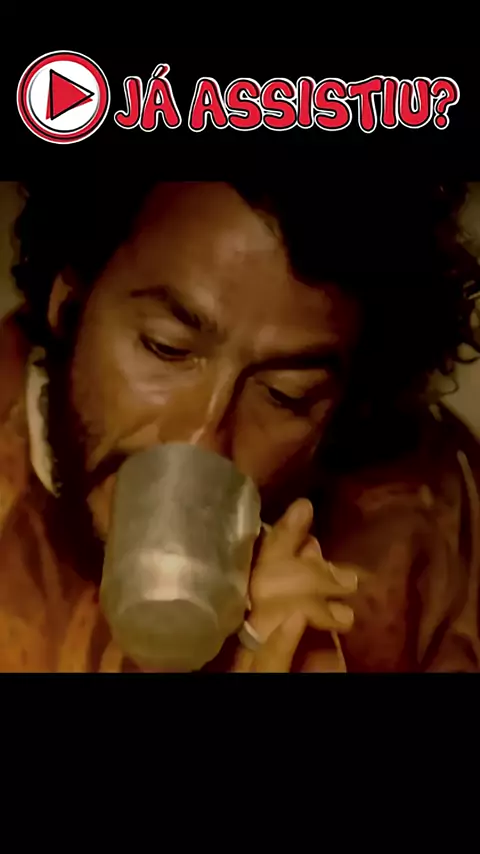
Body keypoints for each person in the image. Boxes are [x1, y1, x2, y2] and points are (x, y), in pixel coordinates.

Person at [0, 171, 479, 673]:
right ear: (70, 303)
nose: (201, 442)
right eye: (166, 347)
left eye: (285, 395)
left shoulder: (431, 531)